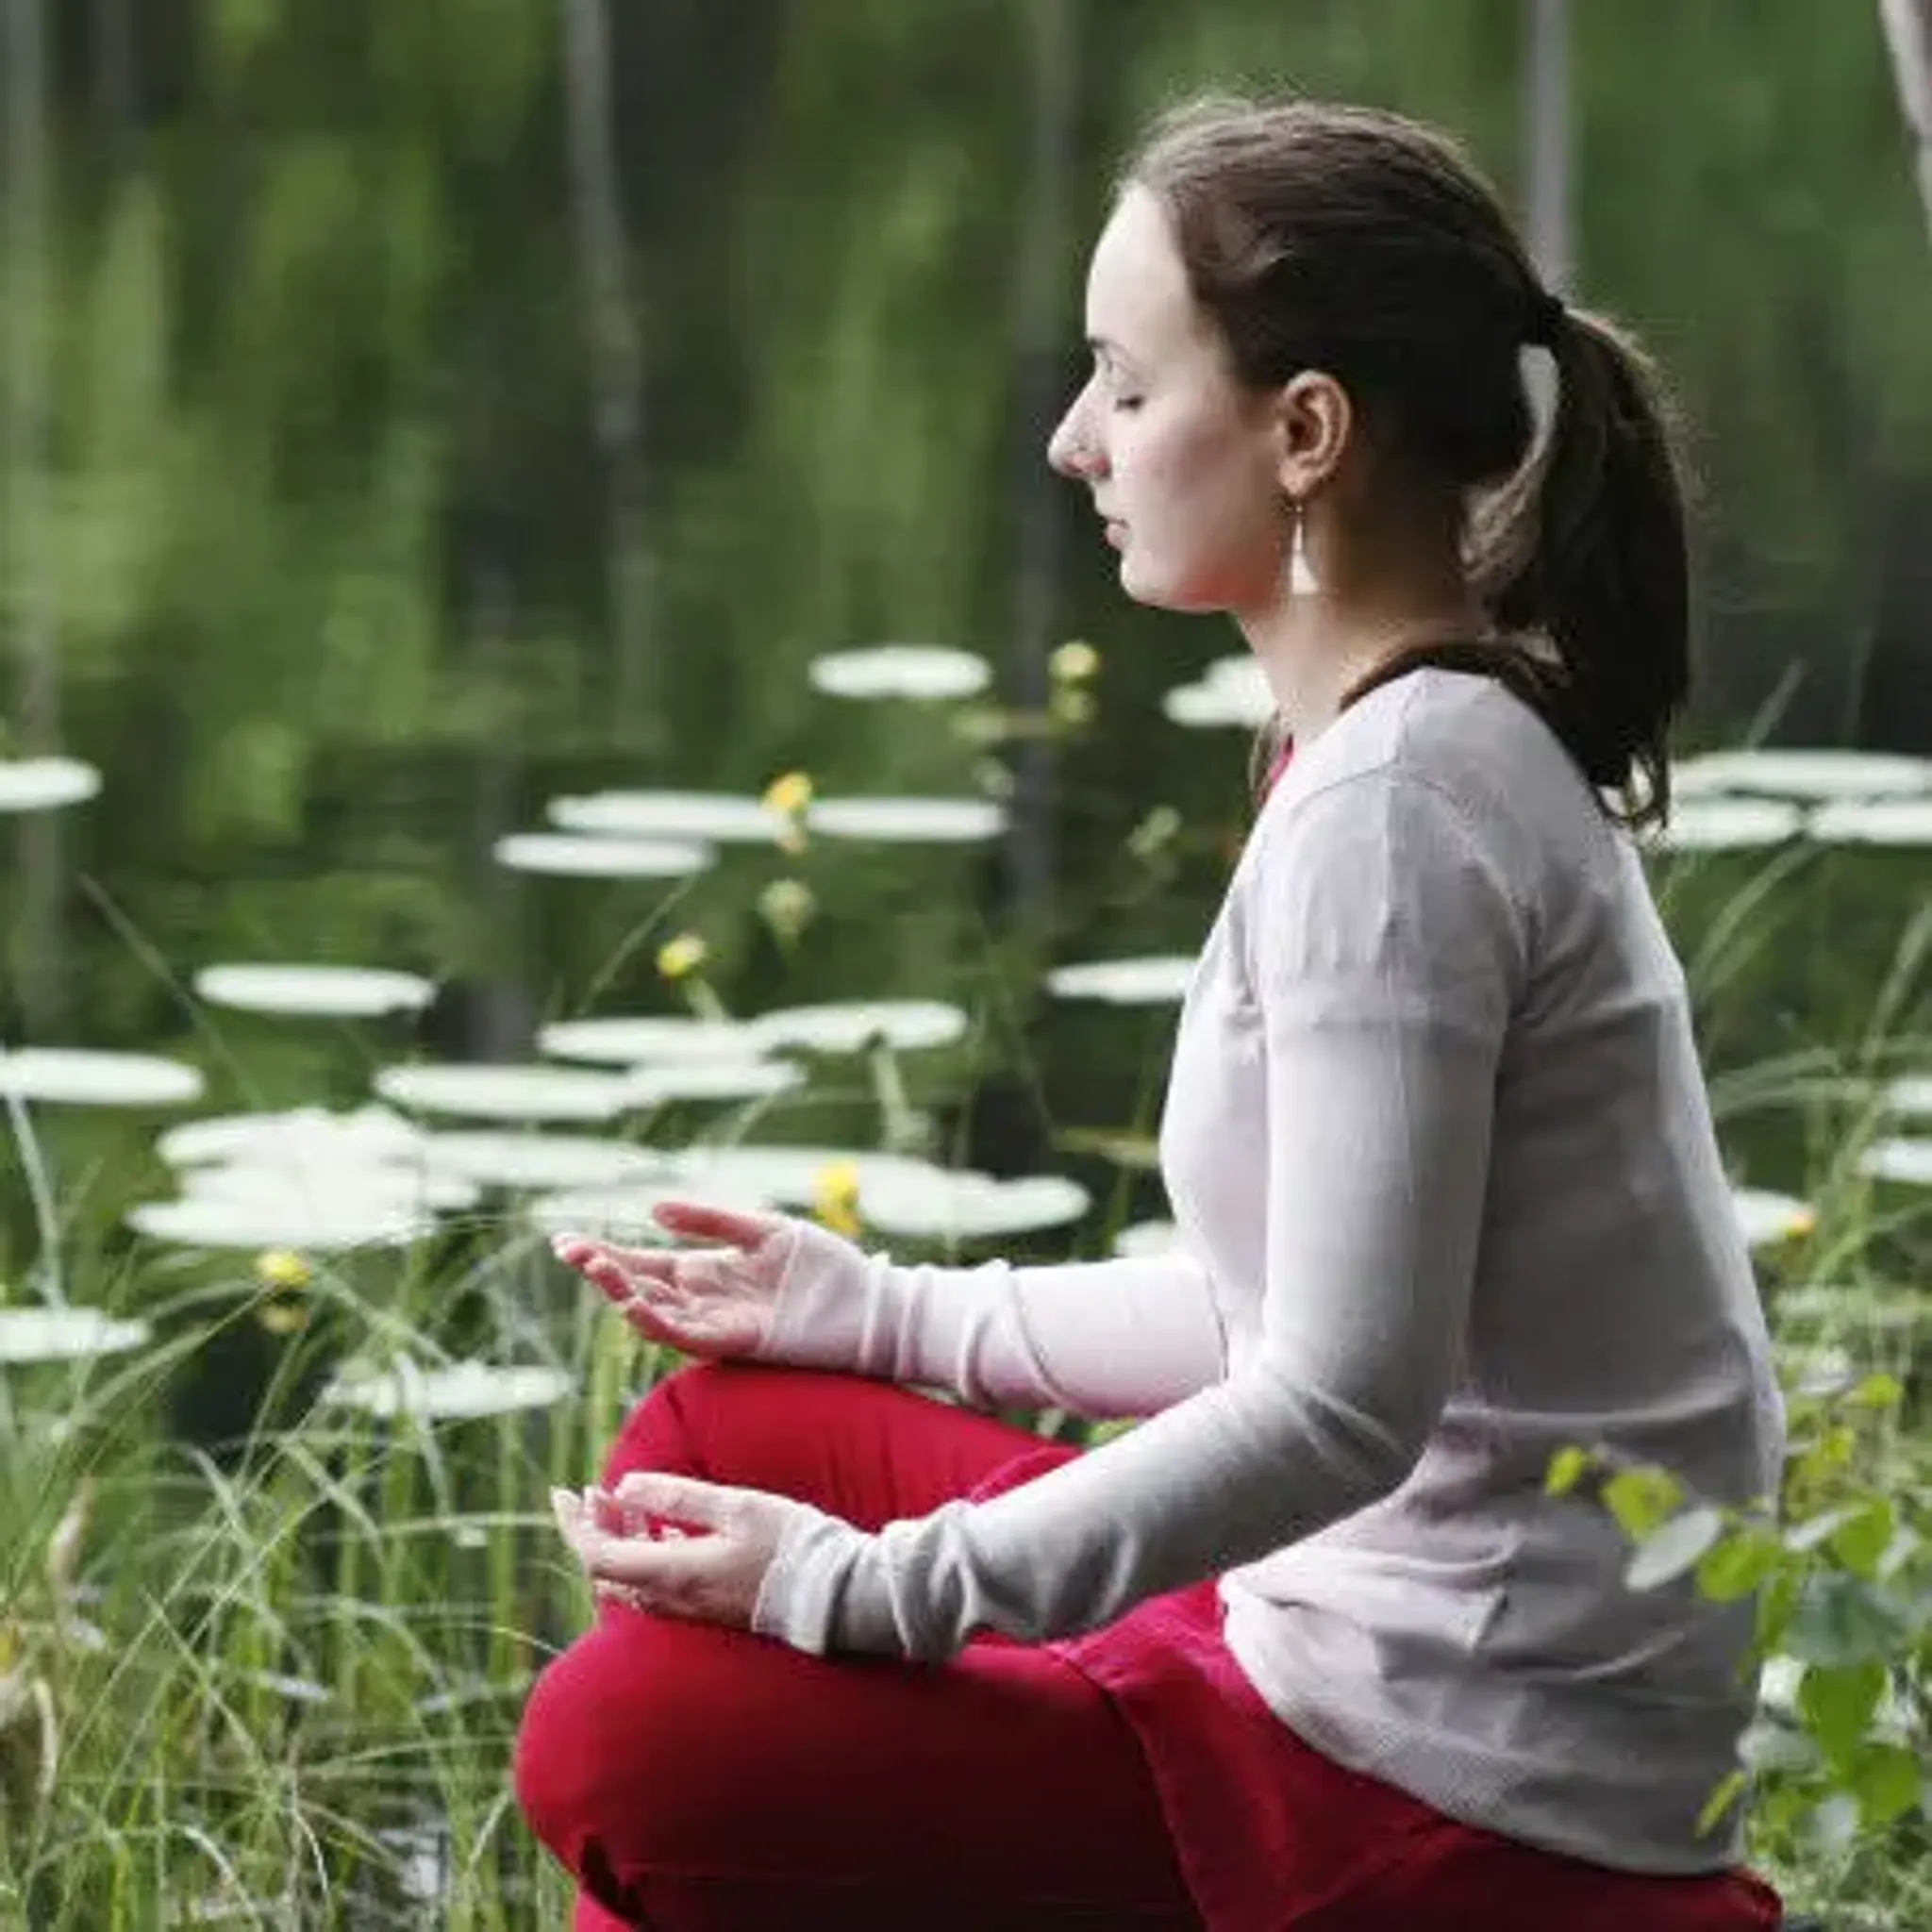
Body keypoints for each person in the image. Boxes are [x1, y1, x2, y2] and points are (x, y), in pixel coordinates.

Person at [514, 93, 1790, 1932]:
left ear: (1304, 433)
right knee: (721, 1444)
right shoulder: (1412, 737)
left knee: (615, 1743)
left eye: (1123, 383)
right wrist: (882, 1312)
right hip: (1345, 1641)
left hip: (1441, 1778)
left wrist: (866, 1591)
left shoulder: (1401, 813)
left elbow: (1338, 1405)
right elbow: (1293, 1305)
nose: (1072, 438)